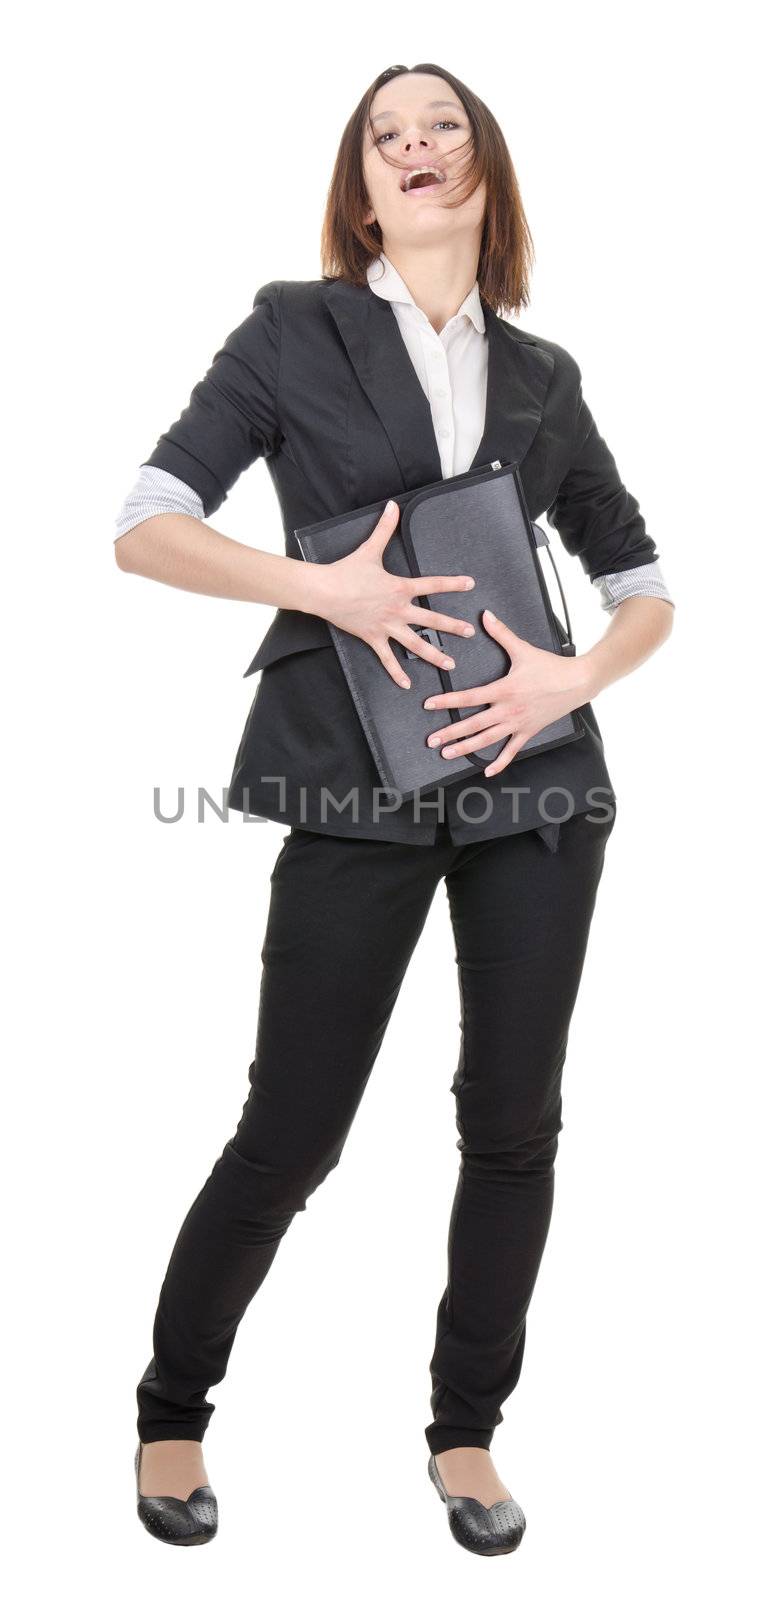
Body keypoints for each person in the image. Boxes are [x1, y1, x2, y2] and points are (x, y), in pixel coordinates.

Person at [116, 62, 674, 1556]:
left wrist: (568, 685)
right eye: (388, 134)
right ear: (360, 183)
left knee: (513, 1126)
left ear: (485, 169)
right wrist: (321, 587)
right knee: (292, 1127)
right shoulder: (292, 330)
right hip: (348, 782)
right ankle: (175, 1410)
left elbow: (643, 590)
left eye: (445, 127)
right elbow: (145, 526)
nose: (418, 147)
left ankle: (467, 1436)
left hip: (537, 792)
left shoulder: (545, 374)